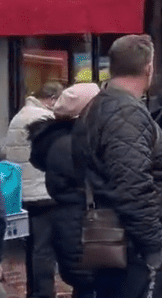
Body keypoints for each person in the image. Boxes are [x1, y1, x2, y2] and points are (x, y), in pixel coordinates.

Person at [72, 35, 162, 298]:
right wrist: (154, 248)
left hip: (121, 242)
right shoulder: (125, 113)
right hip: (133, 249)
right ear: (148, 68)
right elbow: (133, 187)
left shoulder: (103, 106)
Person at [29, 84, 101, 298]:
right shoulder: (71, 145)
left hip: (73, 222)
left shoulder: (61, 140)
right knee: (88, 284)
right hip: (81, 226)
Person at [3, 80, 64, 298]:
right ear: (53, 99)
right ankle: (43, 292)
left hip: (21, 192)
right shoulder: (42, 118)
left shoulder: (19, 116)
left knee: (29, 247)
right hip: (42, 192)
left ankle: (32, 291)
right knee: (43, 248)